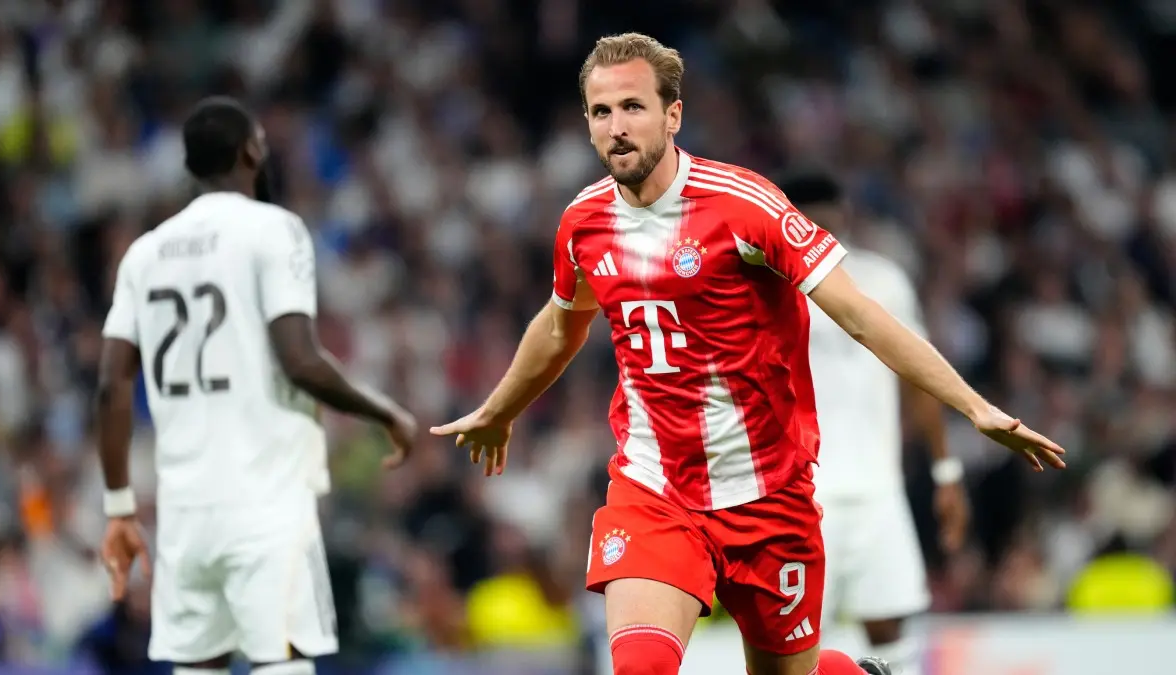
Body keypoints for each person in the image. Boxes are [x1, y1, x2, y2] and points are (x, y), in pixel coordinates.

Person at [430, 33, 1065, 675]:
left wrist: (976, 408)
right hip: (656, 487)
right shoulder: (584, 222)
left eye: (633, 107)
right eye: (601, 113)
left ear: (672, 114)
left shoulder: (744, 206)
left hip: (769, 494)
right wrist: (499, 409)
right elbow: (560, 324)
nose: (617, 128)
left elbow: (863, 317)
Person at [95, 96, 417, 675]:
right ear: (251, 152)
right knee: (282, 666)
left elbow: (111, 386)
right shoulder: (275, 230)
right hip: (265, 503)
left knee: (199, 670)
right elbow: (300, 360)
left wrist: (119, 508)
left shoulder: (143, 254)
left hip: (185, 514)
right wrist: (384, 412)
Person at [783, 170, 966, 675]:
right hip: (801, 490)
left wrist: (945, 472)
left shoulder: (884, 280)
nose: (821, 229)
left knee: (889, 625)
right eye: (808, 220)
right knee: (794, 630)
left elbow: (917, 377)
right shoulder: (766, 286)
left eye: (829, 218)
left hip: (878, 488)